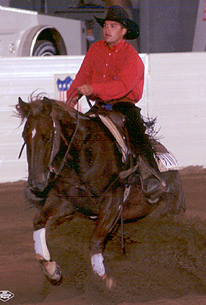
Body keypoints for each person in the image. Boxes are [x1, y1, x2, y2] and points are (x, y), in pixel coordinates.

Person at [67, 6, 165, 201]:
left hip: (123, 106)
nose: (107, 29)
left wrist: (93, 89)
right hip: (100, 107)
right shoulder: (95, 49)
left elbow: (121, 86)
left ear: (124, 31)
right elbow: (82, 76)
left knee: (137, 135)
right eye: (105, 25)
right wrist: (71, 97)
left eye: (113, 26)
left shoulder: (132, 58)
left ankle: (151, 177)